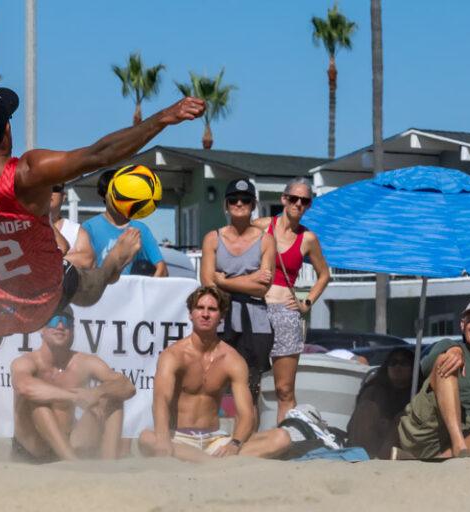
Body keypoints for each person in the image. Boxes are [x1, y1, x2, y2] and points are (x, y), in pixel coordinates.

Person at [0, 89, 203, 341]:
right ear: (7, 130)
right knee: (87, 283)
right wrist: (163, 118)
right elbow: (100, 154)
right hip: (44, 299)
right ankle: (111, 265)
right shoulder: (27, 173)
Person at [138, 286, 292, 462]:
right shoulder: (173, 355)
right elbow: (160, 400)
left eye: (212, 309)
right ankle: (212, 462)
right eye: (200, 308)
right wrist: (164, 438)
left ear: (221, 317)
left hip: (215, 440)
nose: (205, 314)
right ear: (190, 314)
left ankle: (202, 459)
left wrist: (234, 443)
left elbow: (245, 412)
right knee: (146, 438)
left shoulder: (232, 359)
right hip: (178, 438)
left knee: (282, 438)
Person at [10, 306, 136, 462]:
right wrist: (75, 396)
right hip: (33, 447)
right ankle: (72, 462)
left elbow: (127, 386)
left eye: (67, 321)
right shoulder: (26, 362)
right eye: (54, 320)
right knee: (36, 398)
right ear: (41, 329)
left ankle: (109, 465)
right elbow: (24, 387)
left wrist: (97, 392)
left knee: (112, 395)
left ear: (73, 329)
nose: (61, 326)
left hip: (70, 441)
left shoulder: (84, 362)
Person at [253, 177, 330, 425]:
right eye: (294, 198)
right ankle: (244, 446)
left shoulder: (307, 238)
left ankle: (284, 443)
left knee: (284, 390)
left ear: (308, 205)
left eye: (304, 201)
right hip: (256, 309)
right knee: (249, 385)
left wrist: (306, 303)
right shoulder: (261, 226)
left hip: (286, 313)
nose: (298, 204)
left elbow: (324, 274)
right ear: (283, 199)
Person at [395, 298, 470, 459]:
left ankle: (442, 459)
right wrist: (454, 349)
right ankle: (457, 447)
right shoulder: (447, 345)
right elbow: (426, 368)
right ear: (463, 325)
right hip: (429, 428)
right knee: (446, 361)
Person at [200, 179, 275, 422]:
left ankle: (247, 445)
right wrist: (248, 279)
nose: (239, 203)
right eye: (233, 199)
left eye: (245, 199)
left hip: (255, 323)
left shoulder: (266, 240)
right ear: (226, 204)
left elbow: (263, 289)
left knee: (250, 388)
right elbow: (207, 283)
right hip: (220, 321)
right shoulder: (212, 238)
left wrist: (224, 281)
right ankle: (212, 438)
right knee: (213, 383)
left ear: (254, 204)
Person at [83, 169, 168, 277]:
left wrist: (147, 292)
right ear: (105, 195)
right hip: (101, 291)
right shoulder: (89, 228)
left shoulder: (141, 229)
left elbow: (162, 269)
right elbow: (84, 267)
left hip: (132, 292)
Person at [347, 347, 414, 458]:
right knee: (367, 408)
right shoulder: (374, 389)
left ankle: (381, 460)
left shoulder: (418, 391)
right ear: (386, 367)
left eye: (404, 363)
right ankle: (363, 457)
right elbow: (355, 422)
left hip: (403, 445)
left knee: (403, 418)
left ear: (413, 367)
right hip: (369, 443)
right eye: (393, 363)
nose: (398, 366)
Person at [49, 183, 96, 269]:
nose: (49, 191)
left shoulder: (76, 230)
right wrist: (70, 258)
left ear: (63, 196)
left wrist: (47, 260)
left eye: (55, 188)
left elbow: (88, 260)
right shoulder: (24, 225)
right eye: (44, 187)